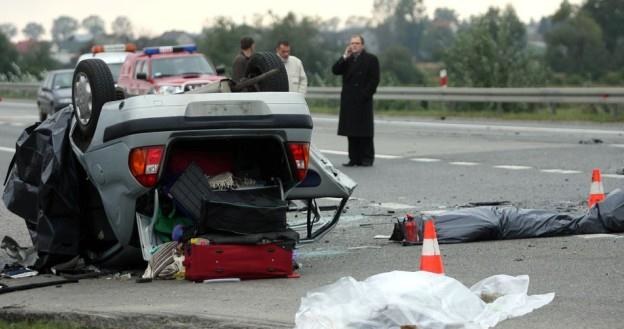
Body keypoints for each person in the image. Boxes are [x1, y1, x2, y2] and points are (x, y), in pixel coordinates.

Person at [331, 34, 380, 167]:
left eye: (357, 43)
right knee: (351, 131)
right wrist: (344, 56)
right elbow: (335, 70)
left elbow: (374, 80)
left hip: (362, 100)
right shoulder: (347, 59)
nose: (354, 45)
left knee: (364, 131)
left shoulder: (371, 59)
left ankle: (367, 158)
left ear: (362, 45)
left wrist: (365, 95)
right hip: (349, 100)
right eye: (352, 43)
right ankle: (354, 158)